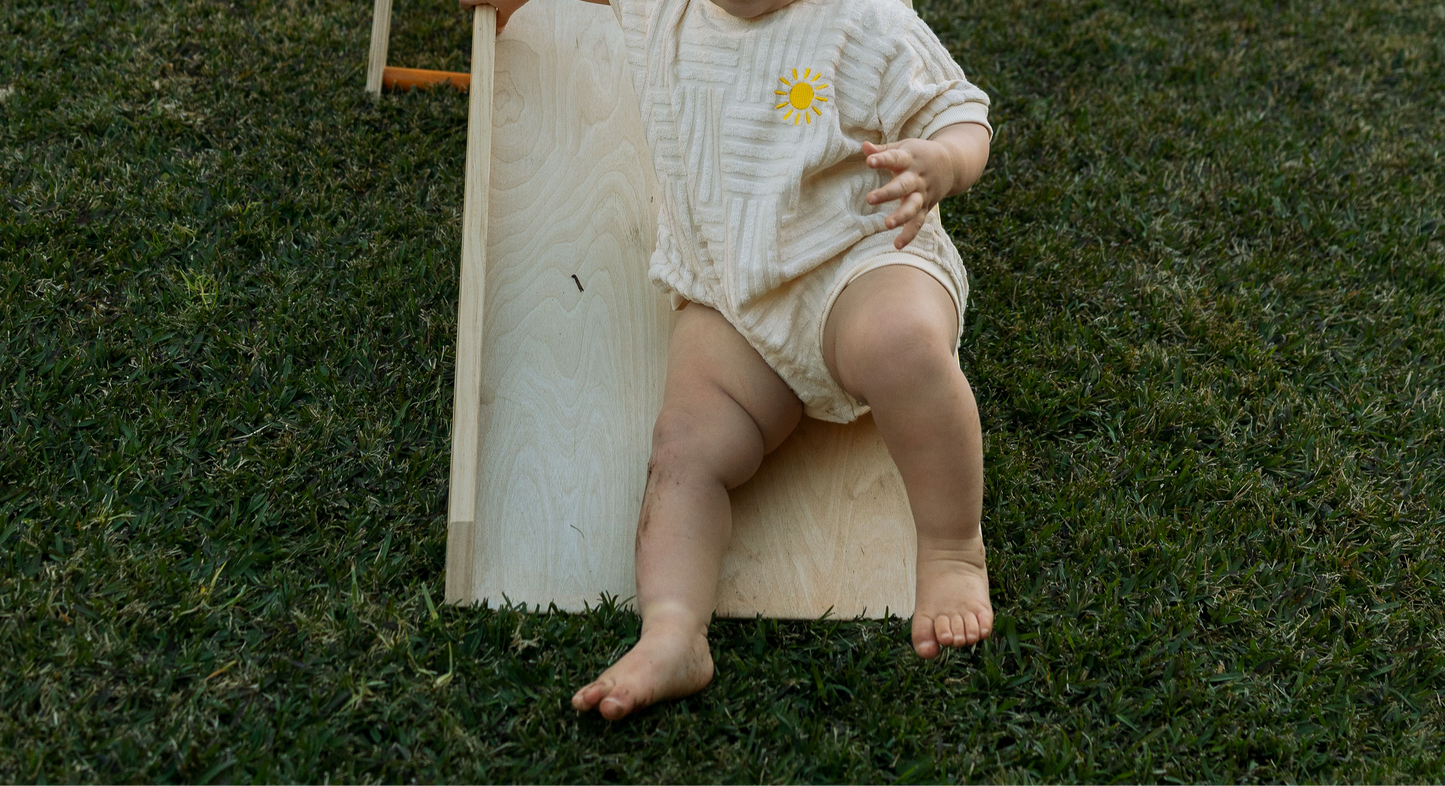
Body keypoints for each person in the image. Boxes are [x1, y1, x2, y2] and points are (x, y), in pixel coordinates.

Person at [462, 0, 994, 720]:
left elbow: (959, 112)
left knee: (901, 343)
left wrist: (941, 160)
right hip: (731, 293)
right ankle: (674, 630)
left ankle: (952, 548)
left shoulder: (863, 19)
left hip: (859, 262)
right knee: (684, 447)